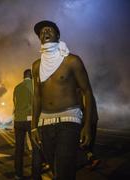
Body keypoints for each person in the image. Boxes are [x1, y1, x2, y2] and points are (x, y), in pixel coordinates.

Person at [31, 20, 93, 180]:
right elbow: (36, 96)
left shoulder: (72, 60)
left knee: (64, 171)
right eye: (41, 32)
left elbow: (87, 92)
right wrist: (33, 127)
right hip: (45, 123)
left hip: (69, 120)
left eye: (49, 30)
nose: (45, 32)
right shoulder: (36, 65)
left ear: (58, 35)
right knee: (55, 169)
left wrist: (87, 125)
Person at [13, 69, 44, 179]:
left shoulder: (17, 87)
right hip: (31, 120)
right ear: (31, 76)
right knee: (36, 148)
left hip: (18, 120)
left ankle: (18, 174)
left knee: (19, 148)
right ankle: (35, 175)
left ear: (23, 76)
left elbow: (15, 103)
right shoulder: (34, 85)